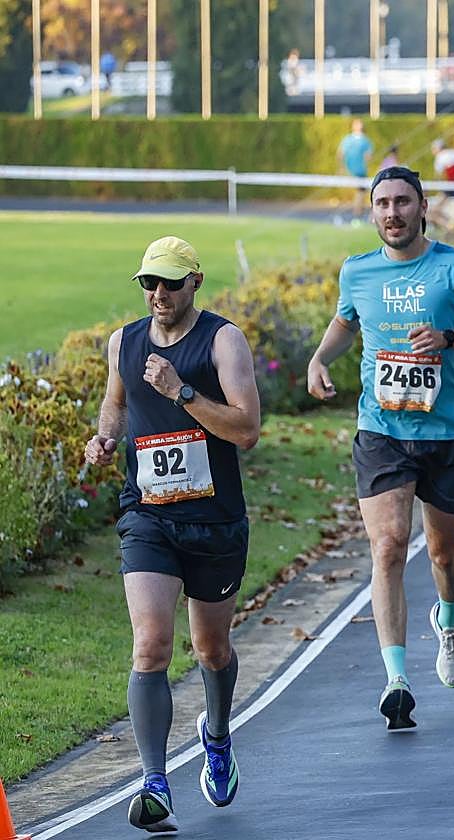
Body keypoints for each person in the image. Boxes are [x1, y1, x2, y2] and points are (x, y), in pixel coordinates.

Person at [306, 166, 454, 730]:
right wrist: (320, 358)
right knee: (391, 546)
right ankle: (396, 677)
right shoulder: (357, 271)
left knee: (443, 553)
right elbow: (345, 321)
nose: (392, 213)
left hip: (447, 433)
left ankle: (447, 619)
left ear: (423, 206)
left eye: (403, 202)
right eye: (382, 203)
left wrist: (450, 338)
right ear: (372, 211)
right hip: (382, 431)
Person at [85, 236, 261, 833]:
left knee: (210, 650)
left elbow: (246, 431)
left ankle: (215, 734)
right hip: (148, 516)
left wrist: (180, 392)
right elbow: (116, 403)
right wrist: (107, 436)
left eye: (169, 283)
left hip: (214, 522)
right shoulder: (124, 342)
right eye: (148, 284)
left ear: (195, 282)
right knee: (152, 644)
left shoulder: (222, 340)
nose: (158, 294)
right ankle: (154, 781)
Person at [337, 118, 374, 219]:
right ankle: (355, 216)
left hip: (360, 171)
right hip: (351, 171)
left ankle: (357, 215)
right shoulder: (347, 139)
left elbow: (369, 156)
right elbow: (341, 153)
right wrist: (341, 168)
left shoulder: (366, 140)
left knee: (360, 193)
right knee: (357, 194)